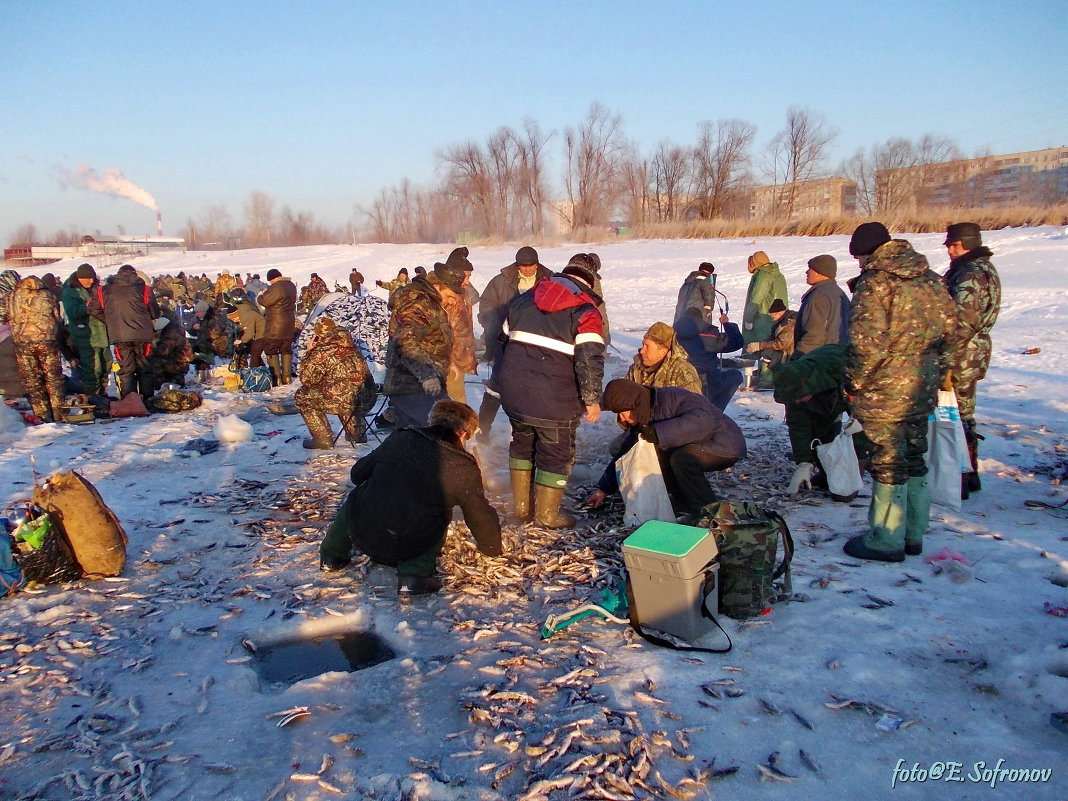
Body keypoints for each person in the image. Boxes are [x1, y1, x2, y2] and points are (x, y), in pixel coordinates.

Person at [843, 222, 956, 562]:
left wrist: (853, 384)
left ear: (865, 254)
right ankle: (914, 533)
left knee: (888, 460)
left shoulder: (876, 282)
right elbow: (952, 331)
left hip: (885, 388)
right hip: (922, 385)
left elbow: (866, 346)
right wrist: (938, 373)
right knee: (914, 455)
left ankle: (886, 539)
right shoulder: (932, 278)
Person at [318, 399, 502, 595]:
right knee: (435, 516)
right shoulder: (464, 466)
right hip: (410, 544)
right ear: (464, 433)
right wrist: (492, 547)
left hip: (362, 533)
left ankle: (331, 556)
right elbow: (479, 514)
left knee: (357, 497)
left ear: (432, 420)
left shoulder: (399, 438)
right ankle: (412, 578)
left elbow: (357, 475)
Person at [497, 254, 605, 528]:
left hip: (514, 393)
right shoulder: (586, 311)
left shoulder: (523, 299)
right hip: (554, 399)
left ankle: (521, 510)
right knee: (556, 453)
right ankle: (547, 516)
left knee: (522, 445)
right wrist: (592, 400)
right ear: (590, 281)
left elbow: (503, 340)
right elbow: (589, 360)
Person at [590, 379, 747, 515]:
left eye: (623, 413)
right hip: (699, 444)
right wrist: (603, 489)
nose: (622, 419)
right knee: (659, 457)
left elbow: (702, 421)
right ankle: (684, 501)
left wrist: (658, 432)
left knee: (682, 459)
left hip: (725, 444)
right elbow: (626, 453)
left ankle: (707, 510)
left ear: (635, 404)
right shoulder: (644, 416)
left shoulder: (674, 397)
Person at [942, 222, 1001, 499]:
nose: (950, 251)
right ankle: (968, 474)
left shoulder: (971, 274)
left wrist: (945, 359)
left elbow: (962, 322)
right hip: (970, 353)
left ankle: (960, 477)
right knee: (962, 415)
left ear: (969, 243)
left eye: (955, 245)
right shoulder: (979, 269)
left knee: (955, 417)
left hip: (961, 356)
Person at [476, 246, 552, 437]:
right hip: (505, 343)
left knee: (533, 388)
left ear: (537, 263)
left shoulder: (549, 280)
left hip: (536, 345)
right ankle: (482, 429)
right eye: (523, 266)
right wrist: (493, 324)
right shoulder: (501, 281)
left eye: (531, 265)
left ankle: (529, 431)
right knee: (496, 386)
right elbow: (486, 304)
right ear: (517, 265)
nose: (527, 269)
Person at [382, 254, 454, 428]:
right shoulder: (418, 301)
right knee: (444, 428)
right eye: (452, 293)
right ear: (439, 286)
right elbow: (406, 339)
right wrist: (427, 375)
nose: (454, 298)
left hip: (424, 383)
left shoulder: (432, 302)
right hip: (411, 385)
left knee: (413, 439)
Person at [295, 317, 377, 449]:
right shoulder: (351, 345)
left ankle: (322, 438)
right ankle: (357, 433)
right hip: (367, 399)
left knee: (302, 395)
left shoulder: (322, 350)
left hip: (345, 401)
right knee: (346, 392)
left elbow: (306, 379)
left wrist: (309, 352)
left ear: (318, 335)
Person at [89, 264, 161, 400]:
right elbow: (155, 313)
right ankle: (147, 401)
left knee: (126, 371)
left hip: (119, 336)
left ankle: (130, 403)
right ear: (135, 274)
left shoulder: (103, 290)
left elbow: (93, 309)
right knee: (145, 369)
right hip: (143, 336)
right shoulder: (145, 289)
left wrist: (111, 321)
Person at [8, 276, 66, 421]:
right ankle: (59, 413)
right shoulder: (48, 294)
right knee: (53, 377)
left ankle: (42, 414)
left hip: (23, 342)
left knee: (32, 379)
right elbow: (57, 317)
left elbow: (5, 316)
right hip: (47, 340)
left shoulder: (12, 296)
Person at [427, 251, 477, 403]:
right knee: (454, 402)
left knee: (456, 398)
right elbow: (440, 334)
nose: (467, 282)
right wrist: (450, 361)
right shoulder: (444, 296)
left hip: (459, 355)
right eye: (465, 276)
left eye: (469, 277)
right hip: (447, 359)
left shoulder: (460, 292)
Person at [672, 306, 744, 410]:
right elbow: (737, 342)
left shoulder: (672, 335)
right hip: (706, 383)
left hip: (678, 382)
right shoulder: (709, 334)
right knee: (736, 375)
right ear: (700, 319)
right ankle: (714, 412)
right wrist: (726, 324)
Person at [62, 264, 111, 397]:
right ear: (79, 278)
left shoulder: (97, 288)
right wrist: (87, 306)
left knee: (107, 365)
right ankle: (92, 397)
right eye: (87, 278)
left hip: (103, 335)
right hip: (85, 337)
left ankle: (102, 393)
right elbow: (72, 313)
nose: (90, 281)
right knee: (92, 369)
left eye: (92, 278)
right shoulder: (70, 292)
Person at [792, 254, 851, 357]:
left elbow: (813, 336)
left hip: (821, 359)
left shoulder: (818, 297)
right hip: (839, 356)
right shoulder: (839, 293)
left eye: (810, 268)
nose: (807, 272)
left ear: (820, 273)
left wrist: (797, 360)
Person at [625, 321, 703, 395]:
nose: (642, 351)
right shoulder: (636, 368)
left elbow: (695, 405)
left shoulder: (682, 371)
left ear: (663, 351)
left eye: (647, 347)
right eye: (643, 345)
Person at [258, 268, 297, 386]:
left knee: (271, 348)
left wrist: (261, 294)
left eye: (270, 281)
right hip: (290, 322)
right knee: (286, 348)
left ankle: (276, 378)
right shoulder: (291, 285)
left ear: (273, 278)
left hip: (276, 322)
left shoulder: (276, 287)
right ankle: (287, 377)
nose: (270, 283)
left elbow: (265, 301)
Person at [742, 251, 788, 349]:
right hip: (779, 316)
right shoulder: (778, 274)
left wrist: (749, 318)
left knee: (760, 346)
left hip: (761, 318)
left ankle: (752, 361)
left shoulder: (763, 275)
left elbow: (757, 298)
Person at [744, 298, 796, 370]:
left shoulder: (789, 324)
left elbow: (781, 344)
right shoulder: (781, 322)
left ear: (779, 313)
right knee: (760, 352)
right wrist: (758, 345)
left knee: (766, 354)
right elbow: (772, 338)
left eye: (772, 316)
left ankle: (767, 378)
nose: (771, 318)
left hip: (789, 353)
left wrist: (760, 346)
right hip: (784, 350)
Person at [147, 314, 194, 391]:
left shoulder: (171, 335)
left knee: (153, 362)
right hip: (180, 362)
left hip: (177, 364)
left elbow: (164, 351)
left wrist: (150, 349)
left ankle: (158, 385)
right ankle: (175, 381)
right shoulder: (175, 331)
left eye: (158, 331)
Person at [224, 295, 266, 369]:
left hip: (263, 333)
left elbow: (249, 332)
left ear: (236, 315)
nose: (234, 321)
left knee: (255, 353)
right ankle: (262, 369)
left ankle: (254, 371)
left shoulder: (246, 315)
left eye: (233, 318)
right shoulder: (243, 313)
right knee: (255, 352)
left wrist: (241, 340)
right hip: (259, 333)